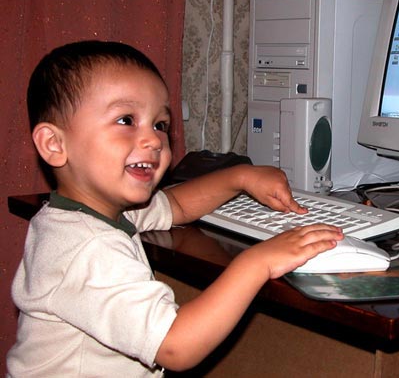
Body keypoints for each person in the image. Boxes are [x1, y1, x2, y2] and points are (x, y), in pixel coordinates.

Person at [7, 40, 343, 377]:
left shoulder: (89, 213)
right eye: (126, 120)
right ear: (54, 144)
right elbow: (176, 345)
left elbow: (176, 204)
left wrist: (240, 177)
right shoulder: (87, 247)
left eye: (160, 125)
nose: (155, 140)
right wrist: (258, 262)